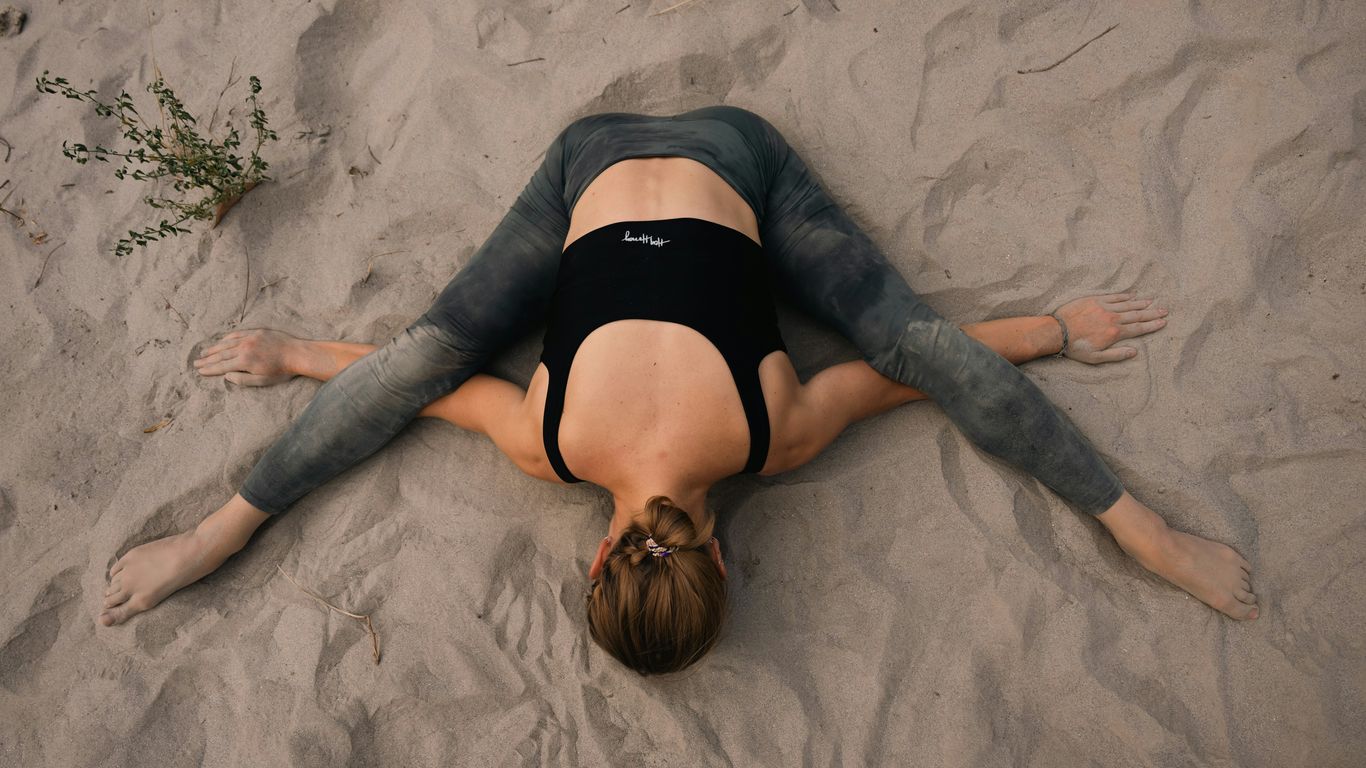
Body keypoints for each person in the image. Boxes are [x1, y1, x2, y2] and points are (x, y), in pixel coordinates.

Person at [99, 106, 1258, 674]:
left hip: (730, 156)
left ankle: (1149, 539)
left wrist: (1053, 332)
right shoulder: (548, 445)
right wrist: (295, 357)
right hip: (591, 158)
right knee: (425, 357)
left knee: (911, 343)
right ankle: (210, 541)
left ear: (724, 563)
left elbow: (923, 374)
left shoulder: (774, 437)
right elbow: (413, 394)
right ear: (599, 563)